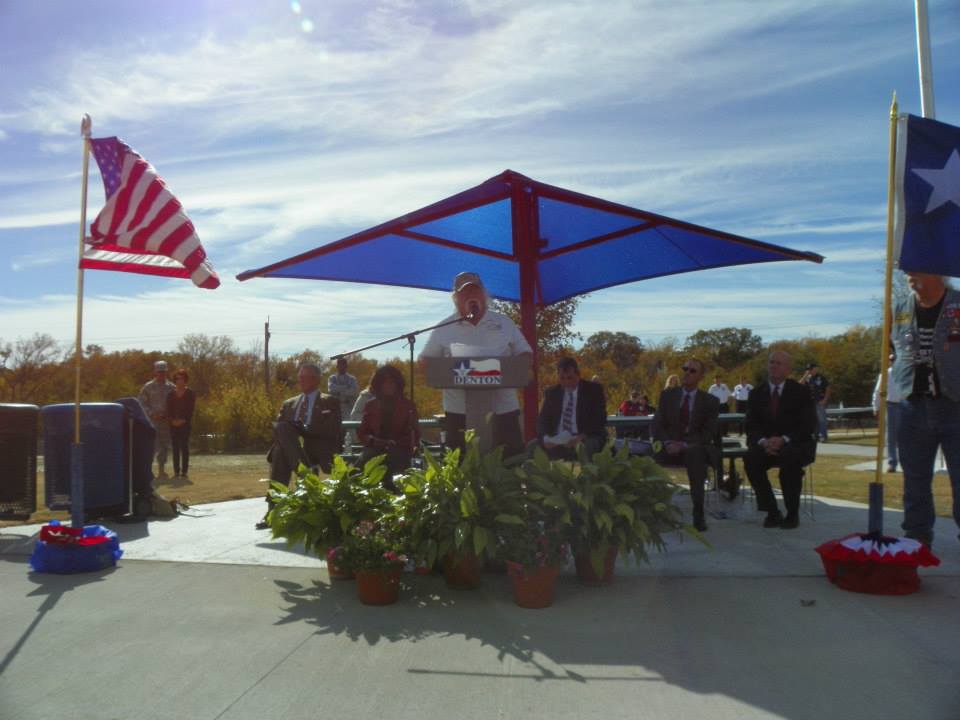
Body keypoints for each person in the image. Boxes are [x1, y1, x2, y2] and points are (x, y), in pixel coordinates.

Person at [419, 271, 532, 456]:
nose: (471, 296)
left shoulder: (504, 323)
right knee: (464, 470)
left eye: (475, 290)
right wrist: (451, 370)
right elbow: (425, 362)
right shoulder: (444, 327)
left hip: (503, 410)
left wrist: (515, 368)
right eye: (465, 292)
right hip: (460, 413)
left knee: (509, 468)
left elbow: (526, 353)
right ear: (456, 298)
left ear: (484, 294)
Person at [891, 272, 960, 547]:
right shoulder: (900, 308)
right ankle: (916, 541)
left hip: (955, 405)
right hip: (913, 406)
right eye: (906, 268)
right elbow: (895, 346)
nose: (909, 274)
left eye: (916, 268)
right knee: (915, 481)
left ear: (937, 272)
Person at [257, 362, 342, 529]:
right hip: (292, 448)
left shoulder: (329, 401)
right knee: (282, 438)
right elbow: (279, 431)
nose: (301, 380)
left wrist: (303, 429)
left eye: (306, 377)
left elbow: (331, 428)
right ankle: (306, 475)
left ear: (317, 379)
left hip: (316, 448)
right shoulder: (289, 403)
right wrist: (292, 431)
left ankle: (272, 511)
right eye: (300, 377)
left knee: (282, 453)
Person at [744, 350, 816, 529]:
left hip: (795, 444)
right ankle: (772, 511)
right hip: (765, 445)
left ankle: (792, 514)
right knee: (751, 458)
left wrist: (783, 439)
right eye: (771, 362)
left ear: (788, 369)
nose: (774, 366)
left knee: (790, 458)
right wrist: (764, 442)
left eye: (778, 363)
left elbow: (808, 425)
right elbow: (751, 426)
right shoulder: (756, 393)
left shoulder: (801, 392)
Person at [651, 358, 719, 532]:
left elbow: (707, 433)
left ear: (701, 377)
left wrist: (683, 445)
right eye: (685, 369)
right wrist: (667, 442)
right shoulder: (667, 395)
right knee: (641, 457)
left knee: (696, 456)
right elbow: (658, 424)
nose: (687, 373)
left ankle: (698, 514)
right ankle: (650, 512)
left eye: (692, 371)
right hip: (667, 445)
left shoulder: (710, 401)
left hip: (692, 447)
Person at [531, 357, 608, 460]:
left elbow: (600, 419)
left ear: (578, 375)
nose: (566, 382)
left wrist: (581, 437)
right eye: (562, 378)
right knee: (532, 446)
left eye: (570, 378)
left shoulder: (593, 390)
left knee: (586, 447)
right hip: (557, 437)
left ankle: (585, 475)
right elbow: (542, 420)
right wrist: (546, 438)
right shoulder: (552, 393)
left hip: (585, 436)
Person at [358, 365, 420, 487]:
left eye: (392, 382)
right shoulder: (371, 405)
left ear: (398, 384)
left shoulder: (408, 406)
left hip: (400, 451)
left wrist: (394, 443)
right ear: (378, 385)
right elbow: (362, 433)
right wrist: (375, 441)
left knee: (394, 467)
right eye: (385, 382)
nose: (389, 385)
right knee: (357, 472)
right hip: (374, 449)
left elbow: (415, 433)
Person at [139, 360, 175, 478]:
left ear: (166, 372)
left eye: (163, 371)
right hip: (152, 421)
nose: (161, 374)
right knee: (151, 446)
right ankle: (147, 471)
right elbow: (141, 403)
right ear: (155, 372)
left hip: (165, 422)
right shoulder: (148, 387)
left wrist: (167, 414)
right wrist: (151, 413)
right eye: (159, 371)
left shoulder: (171, 387)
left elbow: (176, 404)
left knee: (164, 446)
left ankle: (161, 470)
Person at [872, 354, 902, 473]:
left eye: (894, 359)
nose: (892, 362)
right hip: (891, 405)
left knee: (906, 436)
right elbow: (878, 391)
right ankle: (892, 462)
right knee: (891, 436)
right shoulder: (885, 374)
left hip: (905, 405)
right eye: (890, 360)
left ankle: (907, 462)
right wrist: (876, 406)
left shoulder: (906, 372)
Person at [166, 368, 196, 479]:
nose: (179, 381)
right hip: (172, 424)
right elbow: (168, 409)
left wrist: (183, 420)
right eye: (177, 379)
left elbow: (191, 410)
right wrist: (172, 420)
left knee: (184, 447)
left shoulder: (190, 393)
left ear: (185, 380)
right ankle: (176, 472)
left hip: (185, 424)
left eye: (181, 378)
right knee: (175, 448)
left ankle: (184, 472)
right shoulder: (170, 394)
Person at [801, 362, 831, 441]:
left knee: (822, 419)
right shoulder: (807, 378)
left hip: (820, 401)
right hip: (810, 403)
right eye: (808, 369)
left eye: (811, 369)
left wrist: (825, 400)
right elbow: (799, 385)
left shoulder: (821, 378)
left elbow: (828, 389)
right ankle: (815, 435)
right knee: (813, 420)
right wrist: (805, 375)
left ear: (815, 369)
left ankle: (823, 436)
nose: (809, 371)